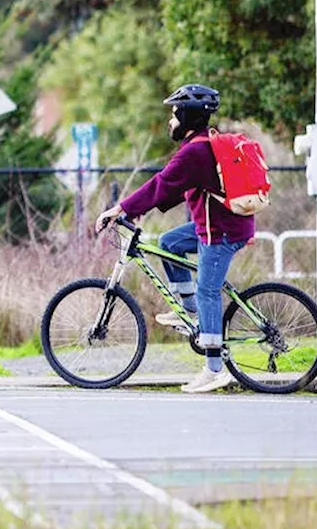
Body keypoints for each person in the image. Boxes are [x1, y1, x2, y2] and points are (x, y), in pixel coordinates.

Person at [95, 84, 254, 394]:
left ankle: (214, 369)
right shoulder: (203, 143)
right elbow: (176, 186)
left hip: (220, 231)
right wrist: (142, 208)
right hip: (216, 224)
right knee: (169, 243)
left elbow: (162, 183)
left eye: (173, 113)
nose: (170, 120)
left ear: (187, 116)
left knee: (208, 290)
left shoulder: (195, 150)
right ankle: (190, 310)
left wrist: (120, 208)